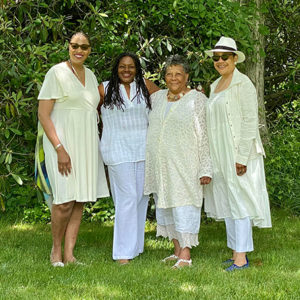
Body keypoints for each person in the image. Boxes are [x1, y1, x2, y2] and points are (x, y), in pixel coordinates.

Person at [37, 32, 109, 267]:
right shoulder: (56, 73)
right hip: (62, 144)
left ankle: (70, 255)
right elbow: (43, 114)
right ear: (68, 47)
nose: (79, 50)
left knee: (79, 200)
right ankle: (55, 252)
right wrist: (59, 148)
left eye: (84, 47)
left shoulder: (90, 75)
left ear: (89, 50)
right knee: (64, 200)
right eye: (75, 45)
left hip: (86, 144)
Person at [204, 36, 272, 272]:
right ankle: (235, 253)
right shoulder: (215, 86)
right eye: (216, 58)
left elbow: (250, 122)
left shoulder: (244, 84)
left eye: (224, 57)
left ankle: (241, 259)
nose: (220, 61)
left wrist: (242, 157)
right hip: (220, 152)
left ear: (235, 59)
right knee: (229, 201)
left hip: (238, 153)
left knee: (240, 202)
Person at [144, 55, 212, 269]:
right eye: (169, 74)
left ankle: (186, 254)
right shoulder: (157, 98)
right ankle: (176, 250)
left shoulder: (197, 99)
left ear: (187, 77)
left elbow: (204, 136)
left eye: (178, 74)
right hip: (161, 166)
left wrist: (205, 167)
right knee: (166, 206)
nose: (173, 78)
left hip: (186, 164)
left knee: (184, 206)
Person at [98, 52, 160, 265]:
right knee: (127, 199)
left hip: (143, 150)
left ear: (137, 69)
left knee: (142, 197)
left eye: (131, 67)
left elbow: (166, 102)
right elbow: (86, 111)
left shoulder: (145, 86)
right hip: (117, 151)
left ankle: (135, 247)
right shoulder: (104, 88)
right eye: (122, 66)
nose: (126, 70)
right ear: (116, 68)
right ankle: (122, 253)